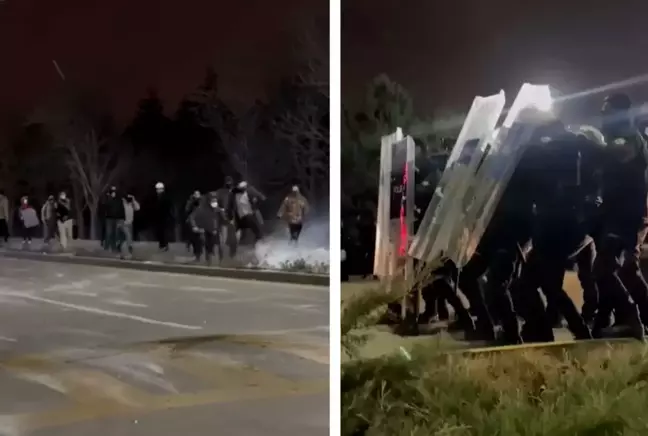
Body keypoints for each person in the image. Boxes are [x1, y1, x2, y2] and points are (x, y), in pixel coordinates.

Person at [591, 93, 648, 341]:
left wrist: (591, 145)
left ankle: (630, 320)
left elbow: (621, 153)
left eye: (607, 111)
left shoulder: (628, 136)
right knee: (626, 271)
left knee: (602, 269)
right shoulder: (621, 135)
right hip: (621, 211)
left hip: (625, 213)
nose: (603, 116)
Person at [228, 181, 264, 253]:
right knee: (258, 232)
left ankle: (240, 247)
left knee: (240, 231)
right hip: (247, 216)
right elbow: (261, 198)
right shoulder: (247, 192)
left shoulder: (234, 193)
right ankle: (256, 248)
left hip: (240, 217)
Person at [188, 194, 226, 264]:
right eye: (212, 201)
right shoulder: (201, 209)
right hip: (206, 230)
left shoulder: (218, 210)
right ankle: (207, 260)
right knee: (207, 245)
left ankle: (220, 261)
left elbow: (224, 220)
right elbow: (192, 217)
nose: (214, 203)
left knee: (219, 245)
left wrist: (223, 213)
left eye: (215, 201)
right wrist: (194, 226)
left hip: (216, 230)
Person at [102, 186, 124, 253]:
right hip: (109, 218)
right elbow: (105, 206)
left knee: (115, 234)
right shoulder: (108, 199)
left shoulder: (119, 200)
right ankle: (106, 247)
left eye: (114, 192)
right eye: (112, 192)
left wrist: (122, 218)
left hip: (117, 218)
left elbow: (121, 209)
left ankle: (114, 247)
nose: (114, 193)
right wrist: (109, 197)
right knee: (109, 233)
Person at [154, 182, 173, 251]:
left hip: (165, 217)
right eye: (157, 189)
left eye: (159, 189)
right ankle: (162, 245)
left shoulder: (165, 197)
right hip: (160, 218)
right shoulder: (157, 197)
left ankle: (165, 245)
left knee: (164, 232)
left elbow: (168, 207)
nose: (158, 190)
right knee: (160, 232)